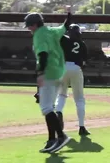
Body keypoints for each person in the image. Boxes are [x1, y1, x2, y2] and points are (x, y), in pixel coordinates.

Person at [25, 10, 71, 153]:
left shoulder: (39, 34)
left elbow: (43, 54)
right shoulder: (51, 30)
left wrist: (40, 73)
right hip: (59, 71)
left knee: (46, 108)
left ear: (35, 24)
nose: (28, 29)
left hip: (49, 73)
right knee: (49, 107)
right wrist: (69, 15)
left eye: (29, 26)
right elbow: (65, 26)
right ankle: (52, 140)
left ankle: (61, 136)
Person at [54, 23, 90, 136]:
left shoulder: (63, 40)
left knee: (61, 94)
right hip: (76, 67)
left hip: (63, 68)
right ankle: (81, 126)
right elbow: (84, 62)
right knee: (79, 98)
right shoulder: (82, 44)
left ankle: (58, 111)